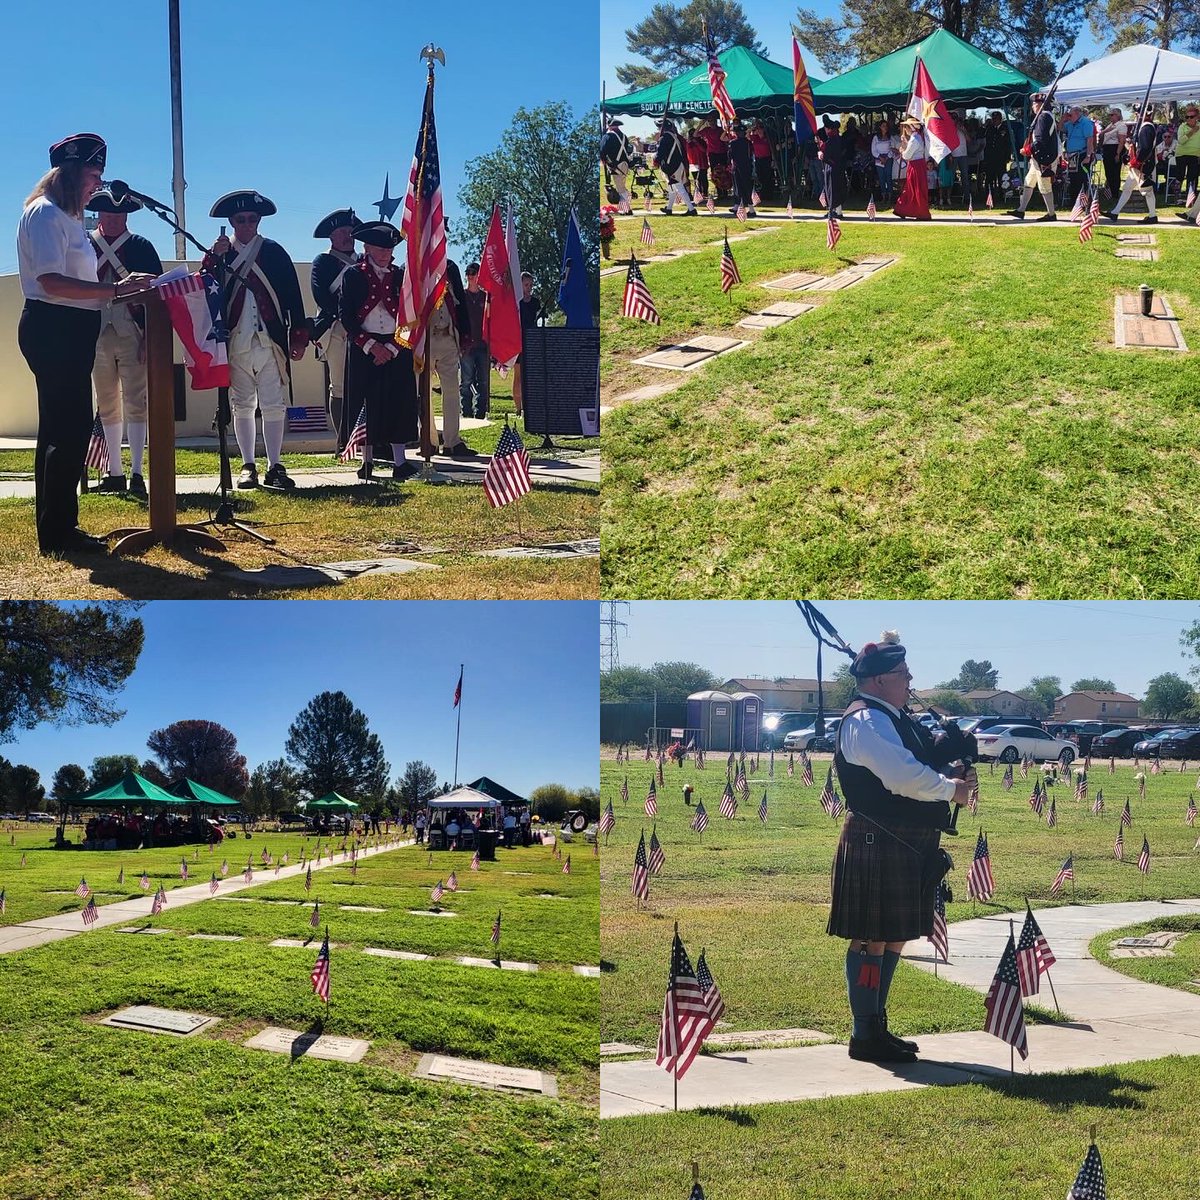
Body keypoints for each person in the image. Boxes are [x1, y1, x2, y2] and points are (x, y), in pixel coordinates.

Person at [828, 634, 975, 1063]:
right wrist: (952, 790)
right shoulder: (865, 721)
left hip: (906, 841)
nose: (910, 678)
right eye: (902, 673)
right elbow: (902, 776)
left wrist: (951, 756)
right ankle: (864, 1033)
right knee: (871, 938)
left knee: (893, 937)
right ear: (877, 681)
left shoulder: (893, 716)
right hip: (878, 836)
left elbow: (922, 759)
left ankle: (878, 1026)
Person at [16, 133, 157, 555]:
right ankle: (59, 534)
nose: (98, 184)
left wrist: (118, 289)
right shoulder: (44, 215)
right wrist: (114, 292)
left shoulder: (67, 217)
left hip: (69, 327)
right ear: (73, 172)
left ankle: (57, 530)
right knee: (68, 430)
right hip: (54, 326)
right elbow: (51, 281)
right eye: (93, 175)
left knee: (62, 430)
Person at [203, 190, 309, 489]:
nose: (246, 224)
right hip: (235, 340)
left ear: (259, 220)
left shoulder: (274, 252)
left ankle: (275, 465)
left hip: (270, 339)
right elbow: (207, 292)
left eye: (251, 219)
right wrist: (214, 259)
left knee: (274, 403)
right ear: (231, 222)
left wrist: (298, 336)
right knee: (242, 404)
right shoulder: (220, 255)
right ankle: (248, 465)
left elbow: (293, 297)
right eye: (240, 220)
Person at [85, 187, 163, 498]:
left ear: (126, 215)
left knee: (137, 402)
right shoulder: (85, 246)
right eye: (107, 213)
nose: (113, 219)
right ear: (99, 214)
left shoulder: (142, 247)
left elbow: (156, 294)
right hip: (95, 332)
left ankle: (137, 472)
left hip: (134, 332)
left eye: (118, 214)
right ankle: (113, 471)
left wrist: (149, 337)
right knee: (107, 403)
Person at [338, 220, 419, 481]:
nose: (387, 255)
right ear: (368, 248)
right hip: (365, 347)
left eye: (390, 250)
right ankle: (367, 461)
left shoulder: (400, 276)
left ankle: (400, 462)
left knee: (399, 403)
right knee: (365, 403)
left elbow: (410, 316)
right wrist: (371, 346)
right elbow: (346, 317)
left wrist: (394, 348)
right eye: (382, 250)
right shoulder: (353, 275)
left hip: (396, 345)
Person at [309, 207, 359, 444]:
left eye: (350, 231)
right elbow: (322, 297)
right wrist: (347, 315)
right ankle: (343, 440)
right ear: (331, 236)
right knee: (338, 386)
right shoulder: (323, 262)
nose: (347, 236)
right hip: (336, 328)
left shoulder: (364, 261)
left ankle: (365, 439)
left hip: (361, 329)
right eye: (341, 232)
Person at [426, 249, 475, 455]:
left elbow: (460, 303)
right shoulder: (412, 267)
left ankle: (452, 441)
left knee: (452, 391)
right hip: (425, 339)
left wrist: (465, 334)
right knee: (423, 394)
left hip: (448, 336)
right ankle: (428, 440)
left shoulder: (451, 267)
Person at [1009, 92, 1059, 221]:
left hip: (1044, 157)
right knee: (1029, 182)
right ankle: (1021, 210)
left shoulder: (1043, 117)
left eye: (1035, 103)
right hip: (1038, 157)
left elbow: (1041, 140)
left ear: (1042, 104)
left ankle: (1051, 214)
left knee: (1044, 186)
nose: (1033, 105)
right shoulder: (1043, 116)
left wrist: (1027, 149)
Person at [1105, 110, 1158, 223]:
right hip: (1138, 164)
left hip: (1144, 164)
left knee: (1147, 190)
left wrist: (1137, 161)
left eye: (1138, 113)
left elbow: (1145, 148)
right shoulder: (1143, 127)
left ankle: (1153, 216)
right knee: (1127, 188)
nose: (1136, 115)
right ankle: (1115, 212)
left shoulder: (1146, 127)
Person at [511, 270, 544, 419]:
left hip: (531, 341)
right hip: (517, 341)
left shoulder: (536, 302)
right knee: (518, 376)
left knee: (530, 376)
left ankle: (530, 407)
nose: (529, 287)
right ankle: (518, 409)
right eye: (526, 284)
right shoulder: (516, 302)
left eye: (531, 285)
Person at [459, 263, 490, 420]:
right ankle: (466, 413)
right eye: (468, 273)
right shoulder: (461, 296)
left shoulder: (486, 297)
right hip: (466, 346)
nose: (470, 276)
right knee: (466, 381)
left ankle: (480, 413)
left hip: (483, 345)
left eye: (474, 272)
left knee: (483, 382)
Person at [655, 115, 696, 216]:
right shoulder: (674, 136)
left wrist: (656, 160)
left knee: (679, 187)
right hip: (678, 164)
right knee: (672, 188)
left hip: (672, 166)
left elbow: (661, 152)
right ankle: (669, 208)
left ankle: (691, 209)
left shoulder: (665, 138)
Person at [893, 118, 931, 220]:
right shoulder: (918, 137)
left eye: (906, 127)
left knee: (915, 189)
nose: (905, 129)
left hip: (915, 166)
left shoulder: (915, 139)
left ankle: (919, 212)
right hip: (918, 165)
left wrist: (901, 151)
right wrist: (905, 142)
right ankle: (903, 209)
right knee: (912, 189)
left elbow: (907, 155)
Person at [1060, 106, 1096, 206]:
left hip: (1082, 154)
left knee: (1082, 178)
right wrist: (1063, 119)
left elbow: (1089, 140)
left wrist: (1088, 156)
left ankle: (1083, 203)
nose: (1069, 117)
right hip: (1072, 155)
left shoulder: (1086, 123)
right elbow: (1060, 128)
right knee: (1073, 179)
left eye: (1070, 115)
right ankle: (1074, 202)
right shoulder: (1070, 123)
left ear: (1077, 113)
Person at [600, 116, 634, 210]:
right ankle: (625, 207)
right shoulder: (624, 136)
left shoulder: (608, 136)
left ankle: (627, 209)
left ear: (610, 126)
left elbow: (602, 150)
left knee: (620, 189)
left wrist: (603, 160)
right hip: (625, 164)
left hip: (616, 165)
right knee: (622, 187)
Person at [1176, 103, 1200, 220]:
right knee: (1180, 176)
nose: (1189, 119)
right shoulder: (1182, 127)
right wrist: (1192, 132)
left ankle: (1190, 202)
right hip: (1182, 154)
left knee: (1192, 179)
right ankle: (1178, 197)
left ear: (1197, 117)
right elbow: (1181, 141)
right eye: (1187, 117)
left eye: (1192, 117)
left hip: (1195, 155)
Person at [1098, 108, 1128, 199]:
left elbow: (1121, 141)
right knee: (1108, 172)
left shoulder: (1121, 126)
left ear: (1118, 115)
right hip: (1107, 148)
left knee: (1115, 172)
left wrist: (1118, 153)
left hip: (1115, 148)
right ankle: (1110, 191)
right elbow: (1101, 135)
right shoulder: (1110, 125)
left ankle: (1115, 193)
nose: (1110, 117)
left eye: (1112, 115)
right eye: (1109, 115)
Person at [817, 116, 844, 216]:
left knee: (833, 190)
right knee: (834, 189)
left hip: (832, 168)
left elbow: (827, 155)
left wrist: (821, 154)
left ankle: (835, 211)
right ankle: (835, 210)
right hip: (835, 167)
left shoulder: (832, 140)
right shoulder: (836, 139)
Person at [982, 111, 1010, 198]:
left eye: (996, 119)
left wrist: (1007, 156)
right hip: (990, 158)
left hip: (1001, 157)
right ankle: (989, 195)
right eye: (993, 119)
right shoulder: (989, 129)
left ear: (1000, 119)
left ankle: (1002, 195)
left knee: (1002, 177)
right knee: (990, 178)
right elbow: (987, 144)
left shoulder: (1005, 129)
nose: (995, 121)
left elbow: (1008, 144)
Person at [871, 120, 897, 205]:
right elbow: (873, 150)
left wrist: (886, 157)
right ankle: (883, 196)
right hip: (879, 159)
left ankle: (890, 196)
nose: (885, 127)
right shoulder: (875, 137)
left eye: (886, 126)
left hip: (888, 159)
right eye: (883, 126)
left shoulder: (891, 137)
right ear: (880, 127)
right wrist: (880, 157)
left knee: (888, 176)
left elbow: (892, 148)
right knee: (881, 178)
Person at [749, 118, 774, 201]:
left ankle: (769, 194)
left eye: (760, 129)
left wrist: (773, 160)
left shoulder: (767, 138)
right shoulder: (755, 137)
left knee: (768, 177)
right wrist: (753, 128)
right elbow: (746, 135)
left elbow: (772, 149)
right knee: (760, 177)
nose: (759, 131)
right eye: (757, 129)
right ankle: (762, 195)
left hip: (767, 159)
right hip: (758, 159)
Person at [686, 121, 709, 199]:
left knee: (703, 178)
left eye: (694, 133)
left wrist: (697, 143)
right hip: (694, 163)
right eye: (691, 133)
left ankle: (705, 193)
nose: (693, 135)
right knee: (696, 179)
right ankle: (698, 194)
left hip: (702, 162)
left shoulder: (702, 141)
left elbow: (704, 150)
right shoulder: (688, 143)